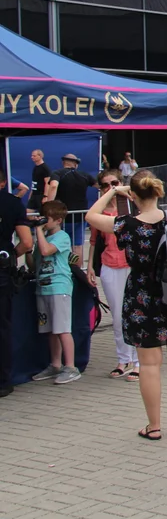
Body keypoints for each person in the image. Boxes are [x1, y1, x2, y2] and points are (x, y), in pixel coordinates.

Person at [86, 170, 167, 441]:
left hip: (141, 295)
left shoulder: (126, 224)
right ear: (157, 191)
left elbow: (91, 216)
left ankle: (154, 426)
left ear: (132, 195)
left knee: (149, 365)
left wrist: (112, 191)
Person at [88, 169, 138, 381]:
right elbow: (93, 241)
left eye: (115, 183)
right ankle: (123, 358)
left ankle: (138, 360)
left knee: (134, 312)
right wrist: (90, 266)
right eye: (106, 185)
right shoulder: (100, 212)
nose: (112, 188)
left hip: (131, 265)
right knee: (117, 316)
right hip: (109, 265)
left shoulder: (130, 206)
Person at [29, 201, 81, 385]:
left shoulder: (62, 237)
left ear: (58, 220)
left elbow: (46, 251)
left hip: (59, 287)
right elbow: (34, 263)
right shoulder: (44, 237)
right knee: (51, 330)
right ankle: (55, 364)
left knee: (62, 329)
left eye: (47, 219)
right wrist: (29, 245)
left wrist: (38, 231)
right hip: (42, 287)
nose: (43, 222)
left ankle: (71, 367)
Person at [0, 168, 33, 398]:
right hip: (1, 273)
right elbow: (27, 242)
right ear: (3, 182)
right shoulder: (12, 203)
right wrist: (10, 255)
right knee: (2, 327)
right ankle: (3, 381)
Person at [46, 153, 96, 248]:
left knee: (59, 243)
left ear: (63, 162)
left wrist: (48, 206)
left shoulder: (57, 173)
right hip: (80, 215)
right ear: (76, 164)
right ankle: (77, 263)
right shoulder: (84, 175)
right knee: (77, 245)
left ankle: (61, 262)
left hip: (62, 216)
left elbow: (53, 186)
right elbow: (100, 186)